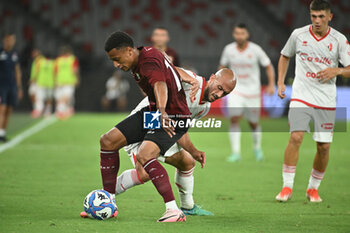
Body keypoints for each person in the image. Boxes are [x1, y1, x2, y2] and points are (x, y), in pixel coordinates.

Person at [97, 31, 208, 222]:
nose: (115, 64)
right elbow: (169, 70)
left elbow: (160, 85)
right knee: (108, 141)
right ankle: (108, 200)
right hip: (155, 113)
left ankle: (173, 210)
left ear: (129, 51)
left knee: (145, 155)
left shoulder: (147, 61)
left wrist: (163, 111)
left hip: (172, 117)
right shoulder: (144, 57)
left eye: (117, 59)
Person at [115, 67, 236, 216]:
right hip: (142, 127)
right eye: (219, 88)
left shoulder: (204, 108)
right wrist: (189, 79)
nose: (219, 94)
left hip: (162, 132)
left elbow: (180, 129)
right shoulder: (192, 81)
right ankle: (106, 193)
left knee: (187, 162)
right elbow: (167, 69)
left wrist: (194, 151)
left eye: (225, 93)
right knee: (145, 174)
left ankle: (188, 206)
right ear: (212, 78)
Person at [275, 0, 350, 203]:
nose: (317, 21)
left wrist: (338, 70)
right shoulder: (298, 35)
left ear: (330, 17)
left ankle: (313, 189)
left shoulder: (339, 40)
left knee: (323, 146)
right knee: (296, 137)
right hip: (301, 95)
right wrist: (280, 83)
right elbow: (284, 56)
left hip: (326, 100)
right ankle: (287, 187)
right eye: (313, 16)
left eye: (321, 16)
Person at [219, 23, 275, 162]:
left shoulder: (256, 50)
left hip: (253, 92)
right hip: (236, 90)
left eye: (242, 33)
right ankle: (236, 153)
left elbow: (268, 66)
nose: (239, 36)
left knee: (253, 123)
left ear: (247, 35)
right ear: (234, 34)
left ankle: (257, 148)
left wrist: (271, 84)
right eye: (237, 33)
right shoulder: (229, 49)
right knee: (234, 119)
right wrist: (220, 83)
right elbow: (222, 66)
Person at [0, 33, 22, 142]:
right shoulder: (1, 52)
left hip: (12, 86)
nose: (11, 42)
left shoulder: (14, 54)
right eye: (9, 40)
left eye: (13, 40)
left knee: (8, 109)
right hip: (1, 86)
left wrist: (19, 87)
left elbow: (17, 71)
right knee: (2, 108)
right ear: (5, 40)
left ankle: (2, 133)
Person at [54, 46, 79, 119]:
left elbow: (55, 71)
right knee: (66, 97)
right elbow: (75, 70)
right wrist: (77, 78)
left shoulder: (58, 60)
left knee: (63, 97)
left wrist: (55, 81)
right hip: (69, 81)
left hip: (60, 81)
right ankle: (63, 111)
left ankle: (65, 110)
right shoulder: (72, 59)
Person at [30, 53, 55, 118]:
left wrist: (34, 79)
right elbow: (55, 73)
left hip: (42, 82)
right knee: (48, 98)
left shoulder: (40, 62)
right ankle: (46, 111)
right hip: (49, 83)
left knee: (40, 98)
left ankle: (40, 111)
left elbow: (36, 71)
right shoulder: (53, 63)